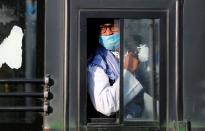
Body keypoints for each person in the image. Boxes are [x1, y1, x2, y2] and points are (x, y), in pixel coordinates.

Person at [87, 19, 144, 118]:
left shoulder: (130, 51)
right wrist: (129, 71)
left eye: (113, 27)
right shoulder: (96, 63)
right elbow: (106, 105)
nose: (108, 32)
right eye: (103, 28)